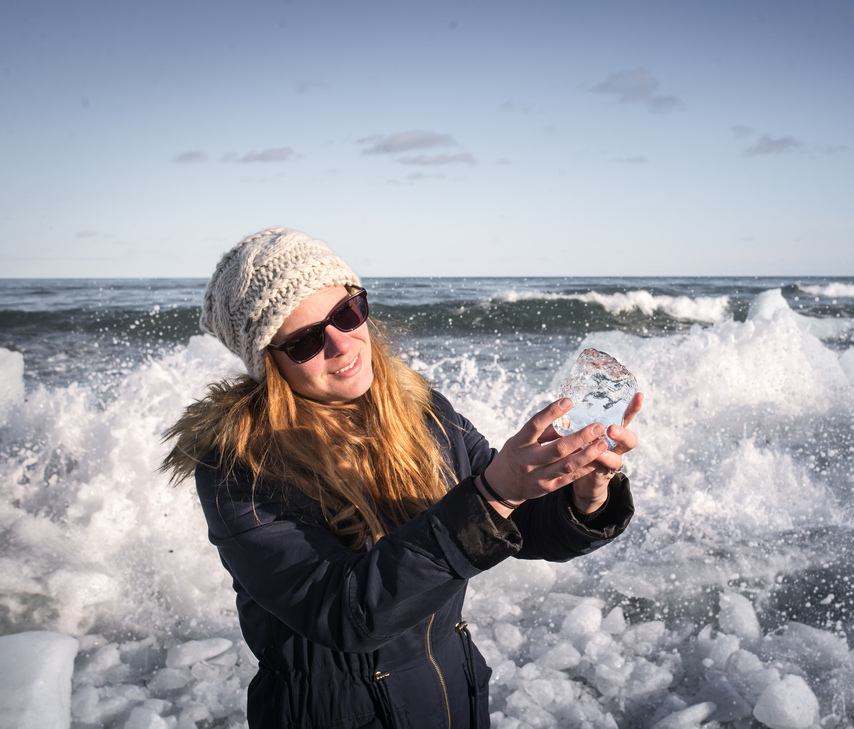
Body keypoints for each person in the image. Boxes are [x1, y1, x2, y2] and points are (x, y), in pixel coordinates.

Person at [161, 227, 642, 729]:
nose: (341, 345)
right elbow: (343, 614)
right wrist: (494, 493)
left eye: (347, 314)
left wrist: (585, 494)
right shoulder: (239, 466)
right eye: (305, 341)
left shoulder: (423, 411)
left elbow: (515, 524)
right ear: (268, 362)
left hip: (449, 698)